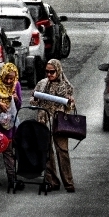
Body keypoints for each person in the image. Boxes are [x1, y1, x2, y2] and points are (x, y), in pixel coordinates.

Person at [31, 58, 76, 192]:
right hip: (44, 120)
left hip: (59, 121)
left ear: (58, 71)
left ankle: (68, 182)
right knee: (46, 151)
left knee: (62, 151)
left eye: (52, 72)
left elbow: (71, 106)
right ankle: (52, 181)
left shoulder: (67, 86)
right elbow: (33, 101)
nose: (49, 75)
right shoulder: (42, 84)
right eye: (47, 72)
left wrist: (69, 102)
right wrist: (36, 98)